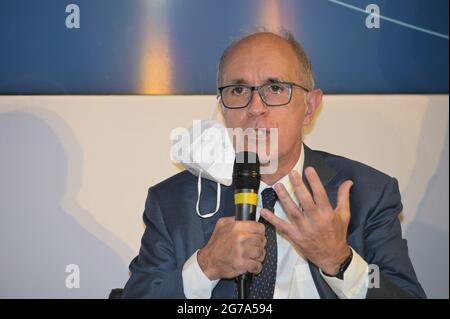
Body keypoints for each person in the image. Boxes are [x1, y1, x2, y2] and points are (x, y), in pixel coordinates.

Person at [122, 31, 426, 299]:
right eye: (238, 90)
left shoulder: (367, 195)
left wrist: (340, 261)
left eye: (275, 88)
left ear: (309, 108)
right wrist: (205, 267)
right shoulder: (173, 203)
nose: (255, 107)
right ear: (223, 109)